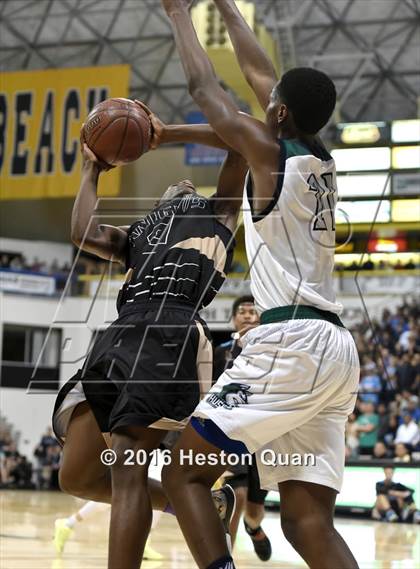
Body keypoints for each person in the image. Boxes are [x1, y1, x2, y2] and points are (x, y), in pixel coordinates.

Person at [159, 2, 360, 569]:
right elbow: (261, 76)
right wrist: (224, 4)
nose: (263, 99)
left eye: (270, 103)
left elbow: (206, 87)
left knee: (181, 471)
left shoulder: (269, 154)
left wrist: (179, 13)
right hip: (336, 349)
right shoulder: (316, 155)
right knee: (306, 518)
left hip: (290, 343)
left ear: (277, 115)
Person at [52, 123, 248, 568]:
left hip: (170, 332)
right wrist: (90, 169)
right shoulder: (139, 234)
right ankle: (200, 506)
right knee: (77, 475)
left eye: (186, 184)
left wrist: (165, 134)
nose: (179, 184)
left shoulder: (218, 212)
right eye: (171, 186)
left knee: (126, 465)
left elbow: (236, 139)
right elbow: (83, 233)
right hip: (119, 334)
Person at [214, 296, 271, 560]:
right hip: (232, 430)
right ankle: (227, 560)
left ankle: (254, 527)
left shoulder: (273, 349)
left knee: (253, 510)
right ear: (234, 318)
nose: (248, 315)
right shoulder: (219, 351)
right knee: (236, 496)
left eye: (252, 311)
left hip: (264, 435)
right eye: (242, 311)